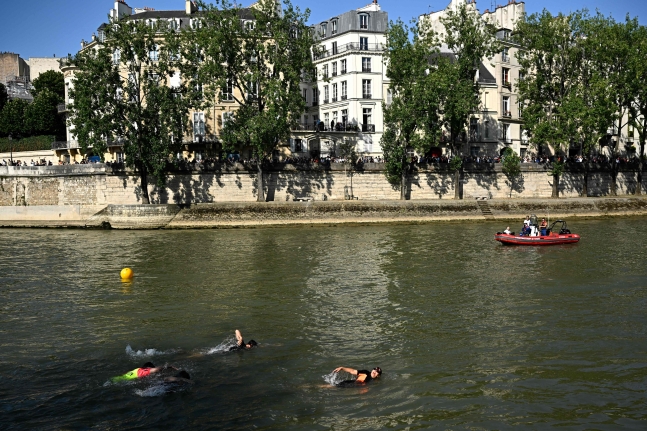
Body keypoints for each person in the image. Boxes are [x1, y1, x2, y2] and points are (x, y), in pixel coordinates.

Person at [111, 362, 177, 383]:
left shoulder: (136, 370)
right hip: (120, 382)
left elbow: (124, 373)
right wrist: (170, 367)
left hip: (115, 379)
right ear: (148, 368)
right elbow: (156, 369)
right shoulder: (143, 371)